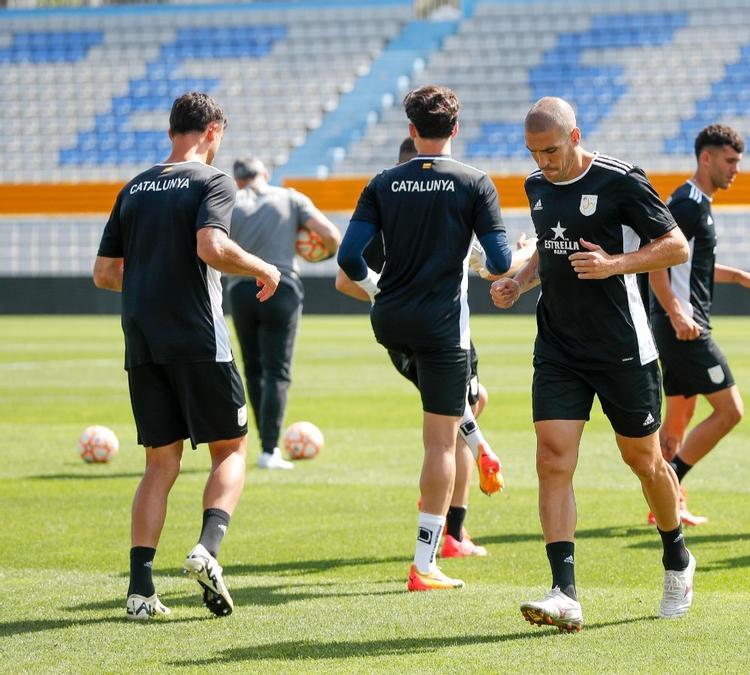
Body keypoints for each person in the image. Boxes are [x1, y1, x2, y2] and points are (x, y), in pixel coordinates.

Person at [491, 97, 695, 632]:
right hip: (559, 347)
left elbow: (675, 246)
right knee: (552, 459)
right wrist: (521, 279)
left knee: (644, 462)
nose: (544, 163)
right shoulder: (536, 186)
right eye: (534, 154)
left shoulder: (621, 179)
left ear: (575, 135)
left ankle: (677, 556)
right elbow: (548, 249)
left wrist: (615, 265)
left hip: (622, 347)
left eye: (552, 150)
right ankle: (565, 592)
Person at [93, 92, 281, 619]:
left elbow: (105, 274)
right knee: (231, 449)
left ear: (172, 130)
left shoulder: (134, 187)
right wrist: (264, 268)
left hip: (144, 342)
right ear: (213, 132)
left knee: (159, 465)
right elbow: (210, 247)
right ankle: (207, 549)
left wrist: (152, 279)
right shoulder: (212, 181)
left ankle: (139, 591)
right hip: (199, 339)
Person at [336, 85, 512, 590]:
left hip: (389, 320)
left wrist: (379, 289)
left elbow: (349, 259)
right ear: (455, 129)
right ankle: (424, 565)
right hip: (441, 326)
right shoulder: (475, 183)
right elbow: (499, 264)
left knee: (456, 413)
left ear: (410, 130)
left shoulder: (382, 182)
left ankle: (479, 445)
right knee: (439, 443)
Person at [647, 123, 750, 527]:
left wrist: (740, 276)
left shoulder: (699, 202)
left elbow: (693, 264)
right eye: (730, 161)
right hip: (683, 327)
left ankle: (665, 504)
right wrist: (675, 312)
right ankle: (671, 487)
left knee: (677, 425)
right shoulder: (686, 203)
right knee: (730, 410)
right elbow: (656, 260)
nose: (736, 169)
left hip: (681, 322)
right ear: (707, 158)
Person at [227, 157, 342, 470]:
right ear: (264, 174)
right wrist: (319, 255)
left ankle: (263, 442)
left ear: (238, 180)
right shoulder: (290, 197)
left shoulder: (231, 201)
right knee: (277, 369)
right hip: (283, 286)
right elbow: (331, 235)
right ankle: (269, 450)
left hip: (240, 289)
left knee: (253, 368)